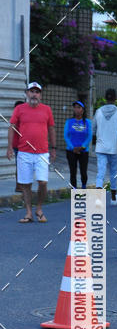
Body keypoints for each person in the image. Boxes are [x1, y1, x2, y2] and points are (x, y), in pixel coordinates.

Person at [7, 82, 55, 223]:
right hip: (24, 152)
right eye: (32, 91)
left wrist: (53, 148)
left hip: (42, 152)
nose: (34, 94)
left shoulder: (47, 109)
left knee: (43, 182)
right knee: (26, 184)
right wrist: (10, 147)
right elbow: (12, 127)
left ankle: (39, 208)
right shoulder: (20, 109)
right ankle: (28, 212)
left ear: (40, 95)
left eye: (37, 92)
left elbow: (51, 128)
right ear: (27, 93)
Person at [93, 88, 117, 205]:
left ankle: (98, 199)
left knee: (100, 172)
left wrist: (97, 139)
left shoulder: (98, 111)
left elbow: (93, 130)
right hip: (114, 148)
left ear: (105, 98)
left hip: (100, 147)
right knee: (113, 173)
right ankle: (113, 198)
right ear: (115, 98)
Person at [64, 101, 92, 189]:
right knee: (73, 171)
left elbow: (89, 136)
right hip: (71, 151)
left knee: (83, 171)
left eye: (79, 107)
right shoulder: (69, 122)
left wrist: (82, 147)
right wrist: (73, 148)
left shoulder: (87, 122)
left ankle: (84, 187)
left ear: (83, 110)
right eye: (75, 107)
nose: (76, 109)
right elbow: (66, 136)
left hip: (83, 151)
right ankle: (74, 189)